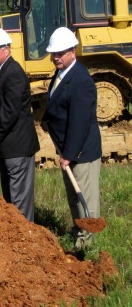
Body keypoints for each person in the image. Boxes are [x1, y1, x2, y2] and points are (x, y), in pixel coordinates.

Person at [41, 27, 102, 249]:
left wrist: (69, 155)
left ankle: (87, 242)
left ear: (73, 51)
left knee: (85, 196)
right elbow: (56, 102)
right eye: (53, 53)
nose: (55, 57)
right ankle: (78, 230)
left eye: (60, 53)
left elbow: (80, 122)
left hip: (82, 152)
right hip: (67, 149)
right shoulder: (60, 73)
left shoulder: (81, 80)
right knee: (73, 196)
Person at [0, 28, 40, 222]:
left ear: (7, 49)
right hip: (8, 148)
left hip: (18, 148)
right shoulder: (2, 71)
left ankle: (26, 239)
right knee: (10, 201)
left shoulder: (13, 72)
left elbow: (10, 113)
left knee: (19, 202)